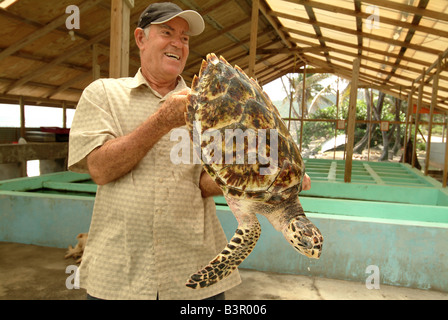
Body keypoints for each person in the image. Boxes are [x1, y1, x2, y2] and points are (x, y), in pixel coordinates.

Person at [68, 2, 241, 300]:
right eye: (167, 32)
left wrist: (255, 179)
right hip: (119, 274)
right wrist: (162, 121)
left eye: (185, 38)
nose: (178, 42)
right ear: (140, 38)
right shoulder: (104, 94)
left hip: (194, 270)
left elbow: (202, 181)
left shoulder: (209, 108)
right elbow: (100, 169)